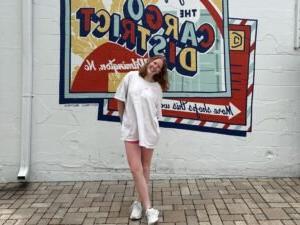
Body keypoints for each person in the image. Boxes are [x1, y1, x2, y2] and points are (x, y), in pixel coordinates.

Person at [114, 55, 168, 224]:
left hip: (149, 132)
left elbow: (156, 113)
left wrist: (154, 128)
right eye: (154, 63)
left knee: (145, 168)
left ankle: (138, 203)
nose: (155, 67)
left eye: (159, 67)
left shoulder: (157, 88)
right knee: (135, 169)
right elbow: (120, 100)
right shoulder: (131, 76)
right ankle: (149, 209)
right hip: (131, 132)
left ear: (160, 71)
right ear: (149, 62)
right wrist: (123, 121)